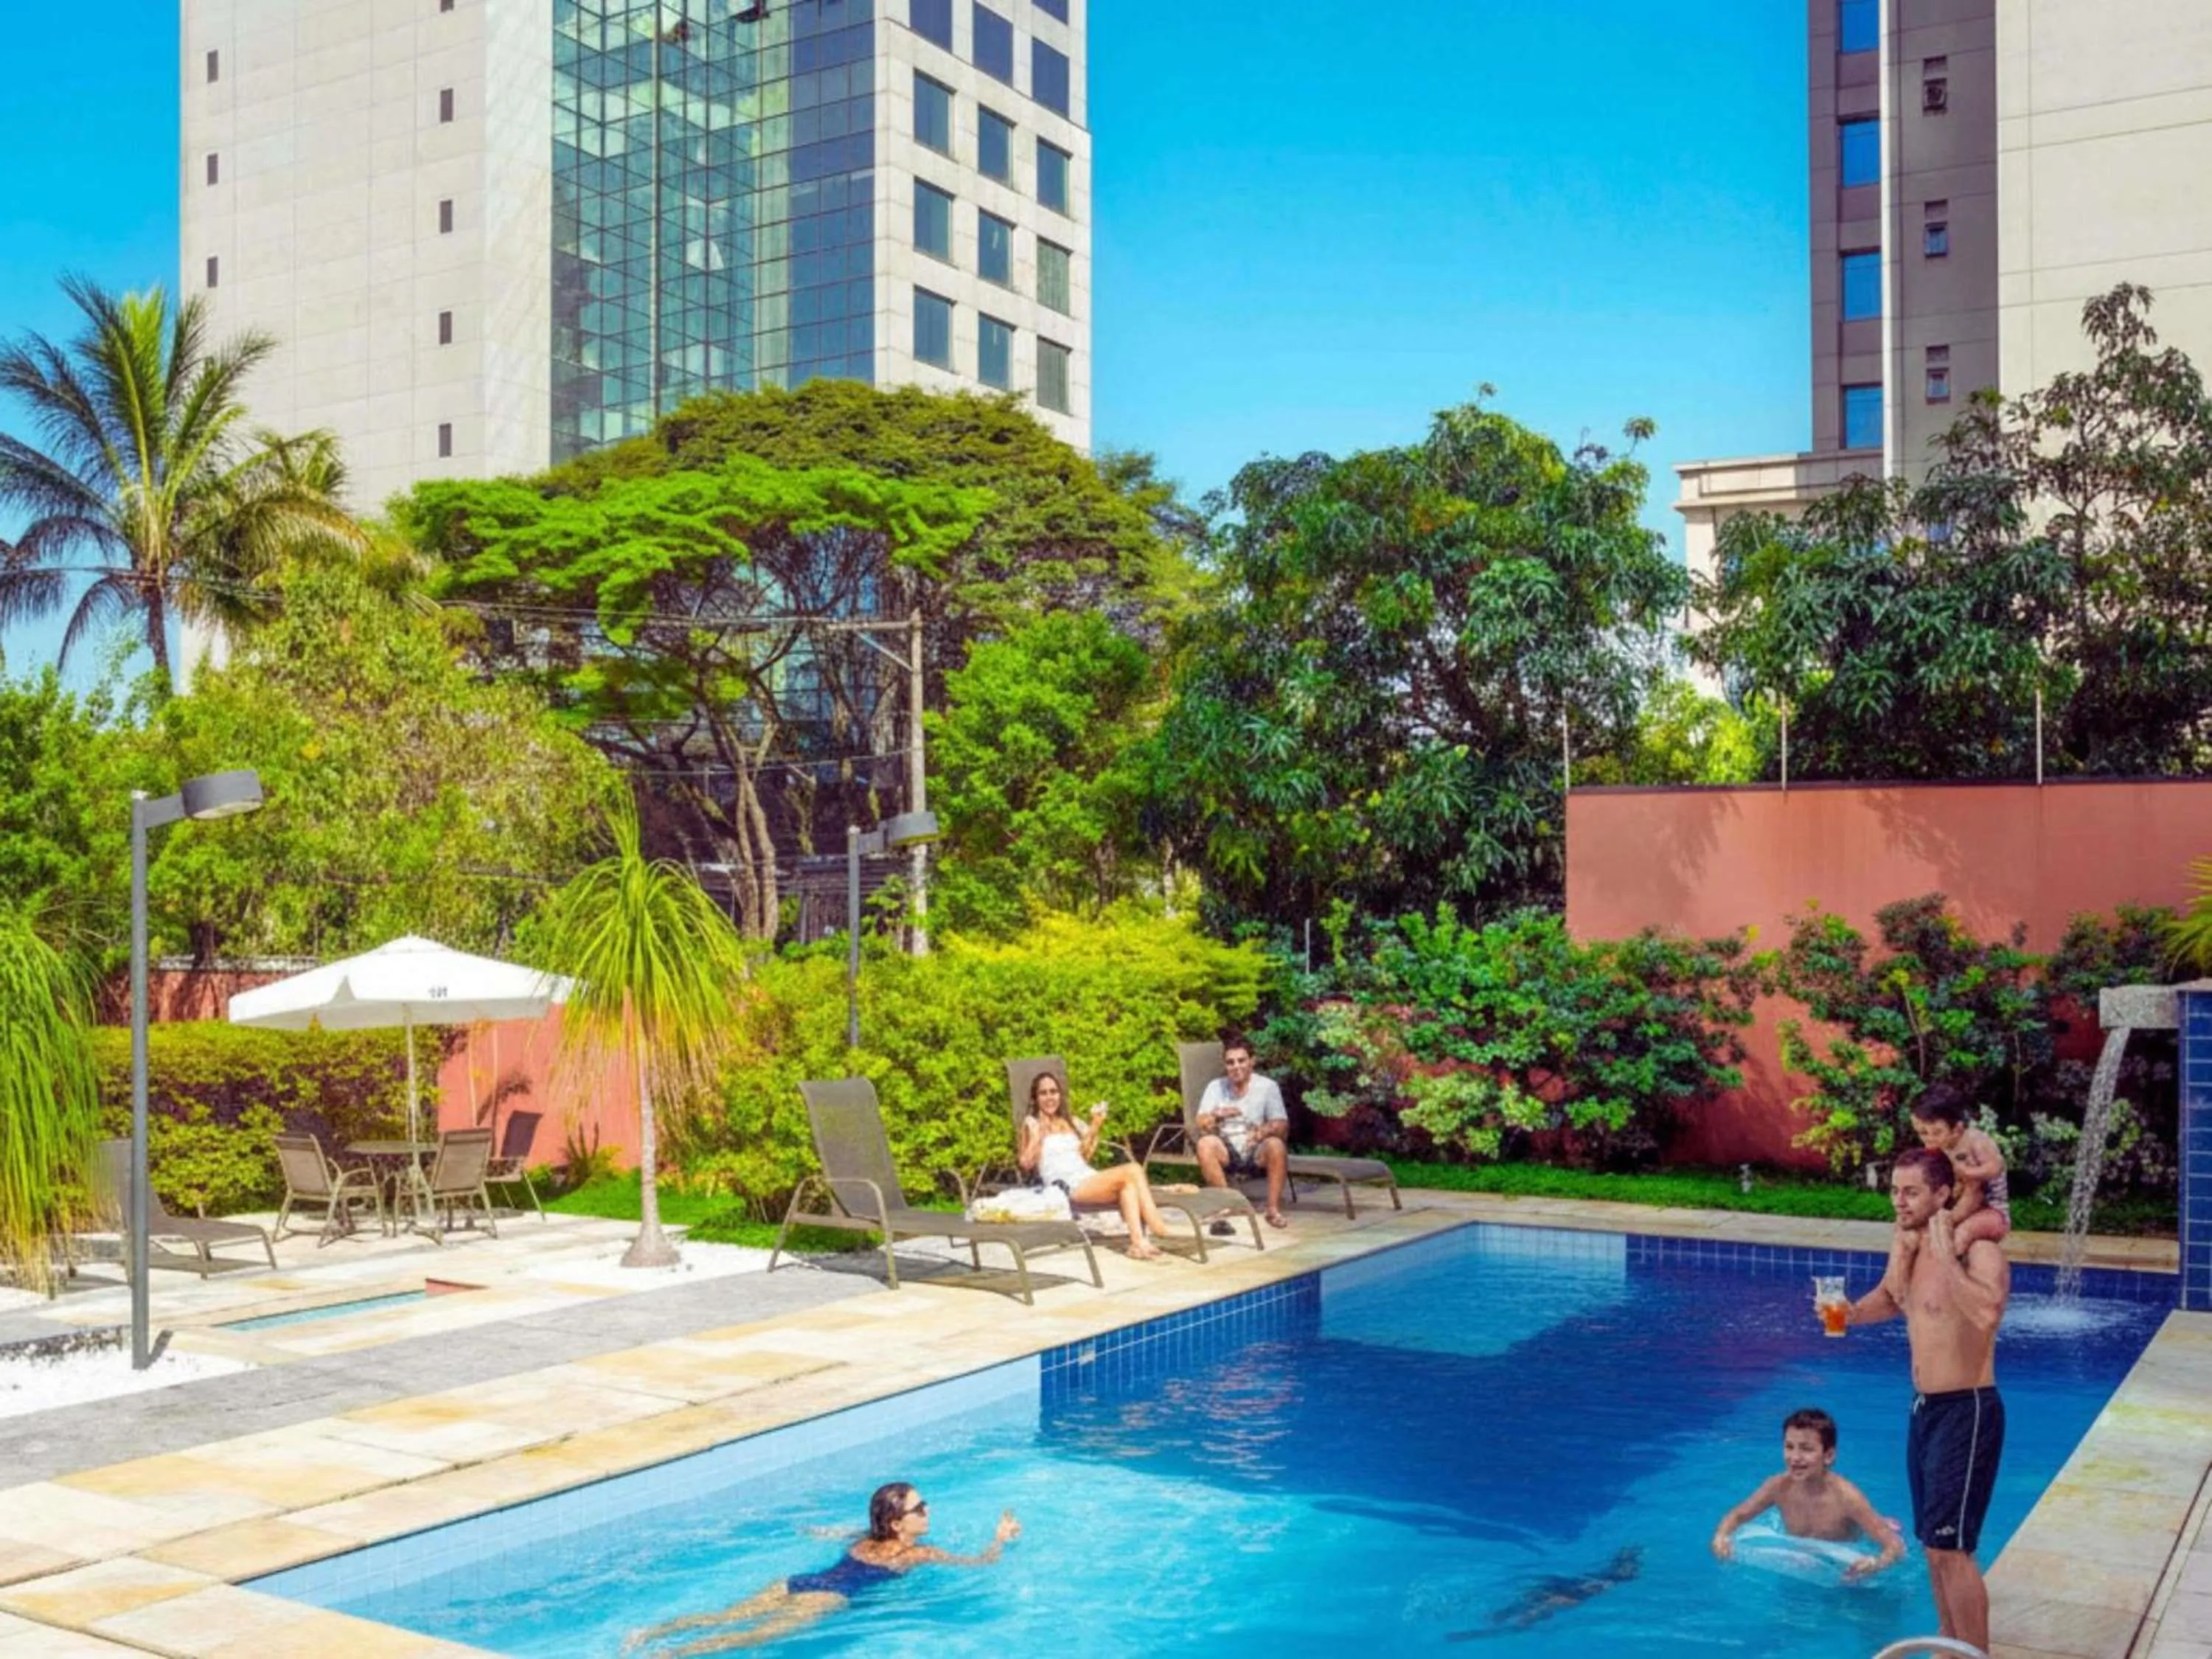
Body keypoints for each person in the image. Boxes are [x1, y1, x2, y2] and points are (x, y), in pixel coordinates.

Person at [1837, 1145, 2010, 1656]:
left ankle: (1975, 1655)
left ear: (1943, 1192)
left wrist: (1945, 1253)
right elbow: (1892, 1301)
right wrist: (1848, 1313)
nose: (1899, 1201)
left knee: (1954, 1549)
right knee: (1933, 1546)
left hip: (1968, 1409)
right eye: (1895, 1190)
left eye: (1911, 1191)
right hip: (1925, 1410)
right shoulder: (1910, 1249)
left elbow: (1986, 1313)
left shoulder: (1977, 1249)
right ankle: (1946, 1648)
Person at [624, 1483, 1018, 1655]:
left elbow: (833, 1532)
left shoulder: (865, 1537)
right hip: (827, 1598)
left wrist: (814, 1530)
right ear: (898, 1524)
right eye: (919, 1508)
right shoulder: (918, 1554)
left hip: (797, 1583)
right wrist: (1000, 1538)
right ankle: (677, 1653)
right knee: (757, 1635)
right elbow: (981, 1563)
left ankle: (649, 1634)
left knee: (724, 1616)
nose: (927, 1511)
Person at [1711, 1408, 1905, 1581]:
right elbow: (1738, 1515)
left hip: (1838, 1562)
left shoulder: (1847, 1498)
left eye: (1806, 1449)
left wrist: (1874, 1564)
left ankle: (1875, 1521)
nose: (1795, 1458)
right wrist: (1721, 1537)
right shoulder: (1778, 1486)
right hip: (1800, 1560)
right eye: (1789, 1447)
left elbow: (1895, 1547)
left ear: (1828, 1456)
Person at [1020, 1071, 1182, 1259]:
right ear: (1036, 1098)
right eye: (1044, 1093)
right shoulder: (1031, 1123)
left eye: (1053, 1092)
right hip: (1064, 1186)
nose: (1050, 1097)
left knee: (1128, 1186)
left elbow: (1085, 1156)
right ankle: (1158, 1227)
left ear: (1060, 1095)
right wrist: (1037, 1138)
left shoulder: (1070, 1122)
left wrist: (1096, 1125)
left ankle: (1138, 1244)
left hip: (1086, 1177)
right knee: (1133, 1169)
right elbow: (1026, 1163)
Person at [1195, 1034, 1290, 1228]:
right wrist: (1216, 1115)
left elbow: (1282, 1125)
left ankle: (1272, 1209)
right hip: (1226, 1148)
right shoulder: (1215, 1087)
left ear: (1252, 1061)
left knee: (1276, 1145)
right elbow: (1201, 1121)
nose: (1236, 1066)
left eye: (1241, 1060)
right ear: (1225, 1065)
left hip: (1255, 1148)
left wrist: (1262, 1132)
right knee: (1205, 1144)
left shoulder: (1267, 1087)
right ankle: (1226, 1206)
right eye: (1230, 1062)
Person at [1447, 1547, 1642, 1641]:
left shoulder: (1541, 1603)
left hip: (1562, 1589)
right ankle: (1626, 1557)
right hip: (1564, 1590)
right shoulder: (1546, 1604)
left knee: (1516, 1612)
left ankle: (1626, 1557)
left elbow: (1520, 1619)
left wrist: (1471, 1635)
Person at [1910, 1082, 2012, 1253]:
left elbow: (1996, 1167)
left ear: (1957, 1129)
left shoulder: (1975, 1141)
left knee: (1962, 1234)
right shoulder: (1941, 1146)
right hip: (1964, 1208)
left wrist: (1967, 1172)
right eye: (1922, 1133)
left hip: (1993, 1213)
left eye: (1936, 1132)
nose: (1929, 1139)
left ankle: (1952, 1275)